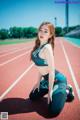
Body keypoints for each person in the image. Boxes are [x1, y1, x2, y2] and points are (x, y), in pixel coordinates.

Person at [29, 22, 74, 117]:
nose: (42, 33)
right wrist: (37, 83)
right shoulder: (38, 47)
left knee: (52, 111)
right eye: (40, 30)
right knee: (32, 96)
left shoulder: (47, 48)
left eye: (45, 31)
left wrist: (50, 91)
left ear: (50, 35)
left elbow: (52, 71)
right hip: (47, 80)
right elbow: (40, 67)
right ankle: (51, 88)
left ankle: (67, 89)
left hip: (57, 80)